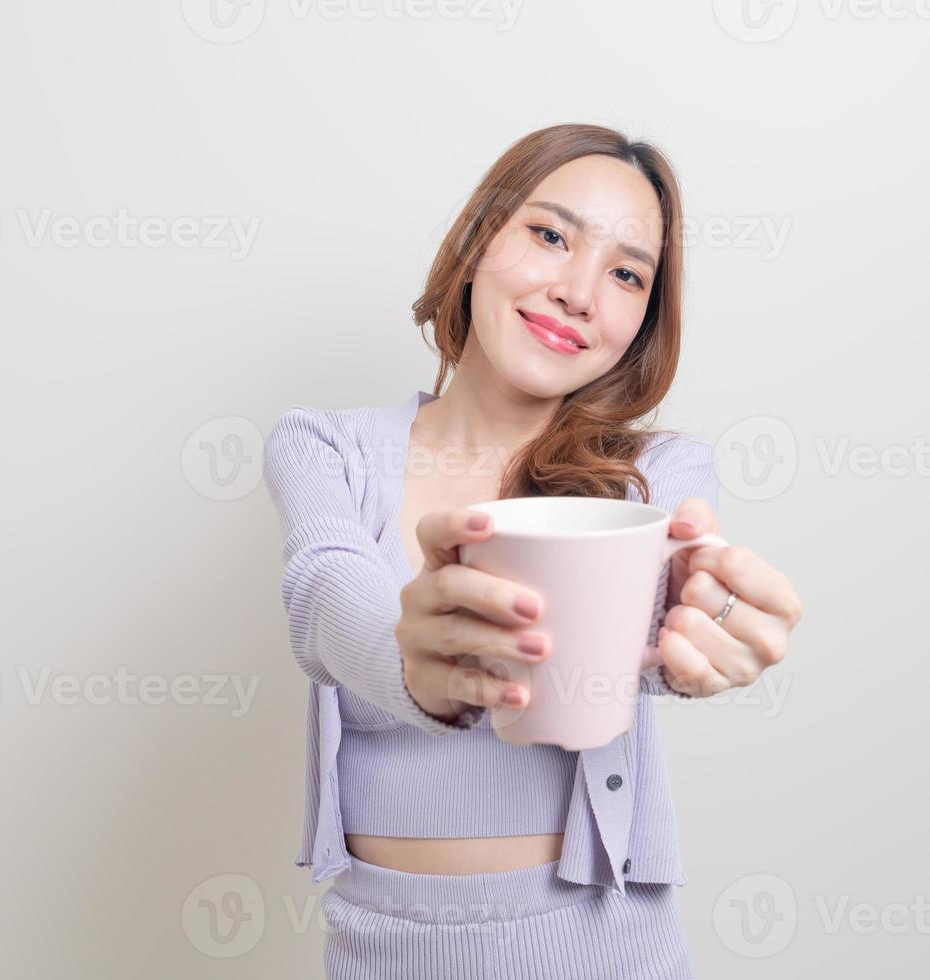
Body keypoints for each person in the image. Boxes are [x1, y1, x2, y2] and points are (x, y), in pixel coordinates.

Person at [265, 123, 803, 979]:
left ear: (643, 320)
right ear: (478, 240)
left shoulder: (653, 474)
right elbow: (325, 590)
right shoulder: (326, 447)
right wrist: (415, 661)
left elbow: (652, 620)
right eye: (550, 235)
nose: (579, 292)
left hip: (607, 945)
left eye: (627, 273)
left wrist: (699, 629)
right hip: (380, 947)